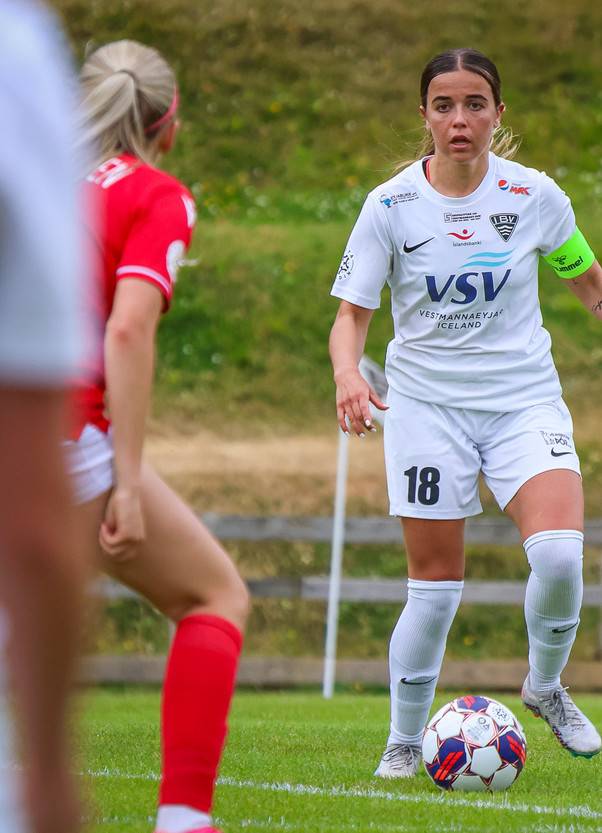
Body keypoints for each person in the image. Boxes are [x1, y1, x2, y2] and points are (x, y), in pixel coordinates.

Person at [329, 47, 602, 778]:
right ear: (424, 116)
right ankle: (404, 740)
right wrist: (348, 372)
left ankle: (545, 685)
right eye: (444, 106)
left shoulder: (533, 195)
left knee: (560, 555)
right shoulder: (390, 207)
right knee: (435, 590)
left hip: (522, 403)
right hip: (427, 411)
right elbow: (351, 316)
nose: (459, 120)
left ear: (498, 114)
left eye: (475, 104)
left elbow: (592, 283)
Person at [69, 40, 250, 833]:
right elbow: (127, 331)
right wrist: (127, 482)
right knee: (215, 595)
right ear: (167, 122)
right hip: (60, 432)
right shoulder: (156, 195)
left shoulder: (30, 178)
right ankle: (184, 819)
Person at [0, 2, 92, 831]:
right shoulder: (15, 57)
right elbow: (31, 528)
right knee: (215, 591)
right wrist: (54, 773)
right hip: (96, 437)